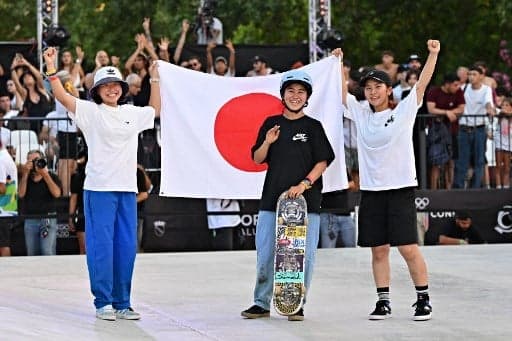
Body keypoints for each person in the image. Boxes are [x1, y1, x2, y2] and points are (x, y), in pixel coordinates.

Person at [43, 46, 161, 321]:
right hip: (99, 189)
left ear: (122, 88)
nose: (111, 90)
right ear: (97, 90)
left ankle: (122, 303)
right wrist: (51, 66)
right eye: (105, 85)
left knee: (125, 247)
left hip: (127, 190)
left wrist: (154, 77)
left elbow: (155, 110)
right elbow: (61, 95)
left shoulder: (131, 112)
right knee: (101, 246)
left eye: (116, 85)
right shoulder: (90, 111)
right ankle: (103, 303)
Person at [337, 39, 440, 321]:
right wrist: (337, 65)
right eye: (368, 88)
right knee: (378, 249)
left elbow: (422, 84)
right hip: (371, 192)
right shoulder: (359, 113)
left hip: (400, 189)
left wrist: (433, 54)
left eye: (377, 87)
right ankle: (383, 301)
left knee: (407, 247)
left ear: (388, 90)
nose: (372, 92)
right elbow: (341, 94)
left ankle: (423, 299)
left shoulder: (403, 112)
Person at [241, 70, 335, 321]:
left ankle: (296, 303)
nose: (295, 96)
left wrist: (304, 184)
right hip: (273, 200)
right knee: (266, 253)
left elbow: (323, 161)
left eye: (301, 92)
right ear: (282, 94)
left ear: (307, 97)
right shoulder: (271, 124)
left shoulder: (313, 127)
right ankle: (261, 303)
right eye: (290, 91)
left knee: (302, 255)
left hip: (306, 204)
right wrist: (268, 142)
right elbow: (257, 158)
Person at [454, 65, 496, 189]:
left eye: (474, 74)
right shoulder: (463, 88)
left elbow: (488, 102)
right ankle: (459, 188)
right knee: (462, 160)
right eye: (470, 74)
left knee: (479, 160)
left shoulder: (486, 89)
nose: (471, 77)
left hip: (479, 128)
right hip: (464, 128)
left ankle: (476, 188)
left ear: (481, 76)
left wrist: (490, 109)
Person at [426, 73, 465, 189]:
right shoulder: (434, 91)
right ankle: (434, 190)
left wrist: (446, 112)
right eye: (455, 85)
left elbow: (462, 108)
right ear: (447, 84)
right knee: (435, 161)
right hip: (436, 132)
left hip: (453, 131)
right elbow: (431, 109)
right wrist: (447, 112)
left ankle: (449, 189)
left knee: (451, 161)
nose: (457, 87)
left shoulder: (459, 92)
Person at [18, 149, 62, 256]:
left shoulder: (52, 176)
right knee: (32, 253)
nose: (35, 163)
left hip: (47, 218)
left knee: (47, 251)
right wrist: (25, 174)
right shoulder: (26, 178)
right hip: (30, 219)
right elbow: (20, 194)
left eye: (37, 160)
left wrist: (45, 174)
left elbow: (57, 194)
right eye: (31, 161)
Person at [0, 139, 18, 256]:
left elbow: (2, 188)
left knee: (3, 245)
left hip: (3, 211)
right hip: (6, 209)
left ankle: (6, 272)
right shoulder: (4, 156)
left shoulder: (0, 159)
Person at [69, 150, 87, 254]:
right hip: (82, 215)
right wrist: (71, 218)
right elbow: (73, 198)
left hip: (99, 214)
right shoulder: (78, 177)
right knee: (84, 250)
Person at [494, 97, 512, 189]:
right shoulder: (500, 114)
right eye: (503, 105)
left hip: (509, 143)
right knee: (498, 166)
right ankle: (498, 187)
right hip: (499, 142)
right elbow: (495, 111)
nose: (504, 107)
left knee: (507, 167)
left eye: (507, 105)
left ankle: (505, 187)